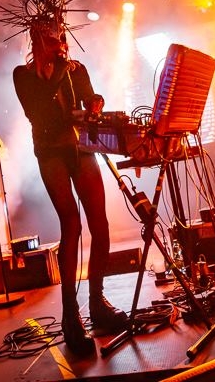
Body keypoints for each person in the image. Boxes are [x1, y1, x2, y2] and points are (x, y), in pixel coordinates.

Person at [12, 18, 128, 355]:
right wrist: (60, 71)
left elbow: (90, 100)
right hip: (51, 152)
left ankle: (97, 302)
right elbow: (37, 111)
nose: (60, 44)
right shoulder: (23, 76)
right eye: (52, 40)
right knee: (72, 224)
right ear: (38, 41)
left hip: (82, 149)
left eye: (61, 38)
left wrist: (95, 103)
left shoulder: (77, 70)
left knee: (100, 224)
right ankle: (70, 315)